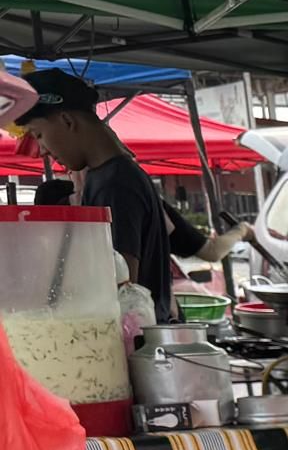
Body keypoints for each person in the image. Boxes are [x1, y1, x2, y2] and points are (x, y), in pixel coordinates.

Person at [13, 67, 176, 324]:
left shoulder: (115, 183)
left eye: (39, 135)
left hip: (133, 340)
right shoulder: (107, 176)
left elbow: (120, 290)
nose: (42, 150)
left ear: (67, 121)